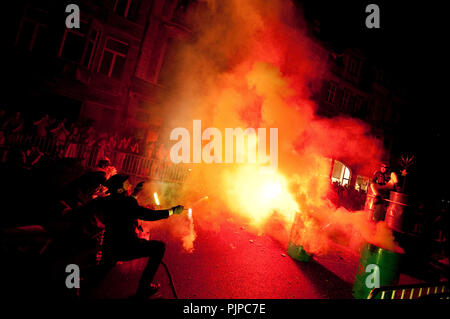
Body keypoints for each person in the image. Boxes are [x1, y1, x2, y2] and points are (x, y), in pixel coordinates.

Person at [99, 174, 183, 298]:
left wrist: (135, 193)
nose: (130, 186)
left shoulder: (107, 201)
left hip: (109, 246)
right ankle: (144, 287)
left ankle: (77, 282)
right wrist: (171, 211)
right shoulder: (128, 202)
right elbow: (147, 215)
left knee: (101, 271)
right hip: (127, 246)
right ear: (119, 189)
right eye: (126, 184)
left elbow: (124, 208)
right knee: (159, 247)